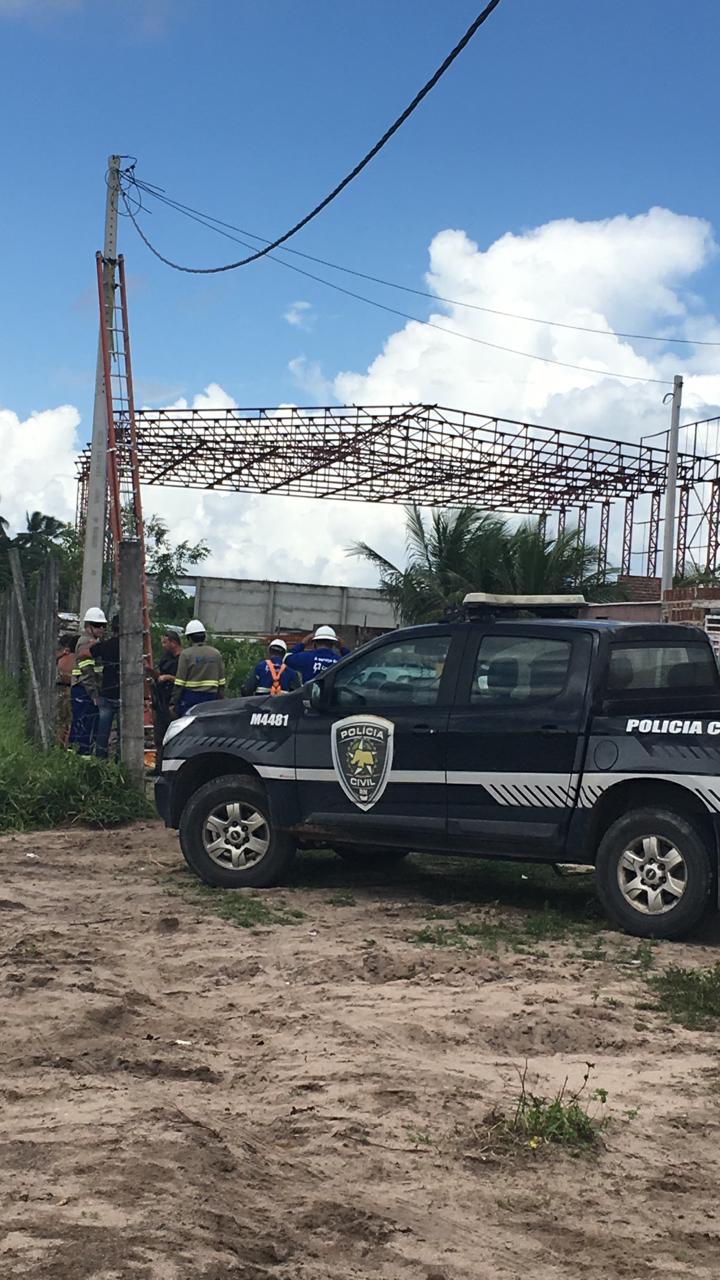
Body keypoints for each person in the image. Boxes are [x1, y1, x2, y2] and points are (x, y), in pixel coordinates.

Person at [69, 607, 107, 754]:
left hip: (85, 689)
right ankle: (81, 756)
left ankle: (75, 754)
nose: (101, 629)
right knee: (84, 725)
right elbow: (87, 672)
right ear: (88, 626)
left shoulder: (93, 642)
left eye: (103, 625)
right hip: (83, 689)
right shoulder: (86, 642)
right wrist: (93, 694)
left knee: (82, 724)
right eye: (97, 625)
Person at [170, 619, 226, 717]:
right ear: (204, 636)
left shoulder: (186, 654)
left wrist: (173, 702)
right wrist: (221, 700)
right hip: (211, 697)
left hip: (190, 697)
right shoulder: (216, 654)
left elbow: (179, 682)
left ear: (189, 638)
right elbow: (221, 682)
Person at [152, 627, 183, 770]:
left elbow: (184, 680)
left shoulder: (183, 659)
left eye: (165, 643)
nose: (163, 646)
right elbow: (158, 676)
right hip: (160, 701)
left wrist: (169, 678)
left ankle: (171, 767)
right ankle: (159, 767)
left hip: (174, 702)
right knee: (159, 738)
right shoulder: (166, 658)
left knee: (173, 737)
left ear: (173, 643)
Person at [90, 614, 120, 759]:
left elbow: (85, 653)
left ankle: (100, 759)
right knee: (125, 733)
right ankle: (121, 760)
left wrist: (91, 642)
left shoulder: (106, 645)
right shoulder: (132, 647)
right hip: (125, 695)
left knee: (103, 731)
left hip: (106, 692)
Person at [285, 625, 350, 684]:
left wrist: (303, 643)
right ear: (333, 644)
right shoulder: (340, 661)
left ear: (314, 643)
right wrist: (343, 648)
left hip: (309, 695)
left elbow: (286, 658)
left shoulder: (305, 658)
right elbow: (355, 665)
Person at [55, 633, 76, 746]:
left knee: (61, 720)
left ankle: (59, 744)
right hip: (71, 690)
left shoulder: (60, 659)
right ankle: (67, 745)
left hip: (61, 690)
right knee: (70, 720)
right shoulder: (73, 659)